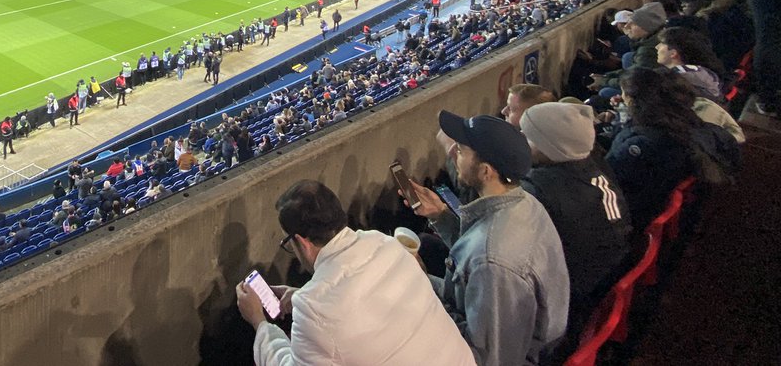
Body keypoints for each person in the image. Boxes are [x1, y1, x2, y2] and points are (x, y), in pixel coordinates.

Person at [235, 179, 472, 366]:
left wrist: (259, 323)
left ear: (301, 242)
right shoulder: (386, 244)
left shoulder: (314, 308)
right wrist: (301, 295)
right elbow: (368, 306)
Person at [403, 112, 569, 366]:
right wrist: (441, 215)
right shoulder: (524, 201)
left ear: (485, 171)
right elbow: (475, 254)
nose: (453, 154)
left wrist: (420, 288)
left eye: (461, 150)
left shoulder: (493, 264)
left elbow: (486, 358)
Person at [519, 102, 632, 326]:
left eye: (529, 137)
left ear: (550, 145)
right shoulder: (595, 165)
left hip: (567, 302)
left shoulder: (540, 188)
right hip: (600, 281)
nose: (521, 140)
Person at [606, 67, 740, 230]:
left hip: (629, 216)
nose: (622, 98)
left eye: (624, 94)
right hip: (657, 204)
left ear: (635, 101)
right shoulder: (693, 126)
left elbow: (609, 179)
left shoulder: (641, 146)